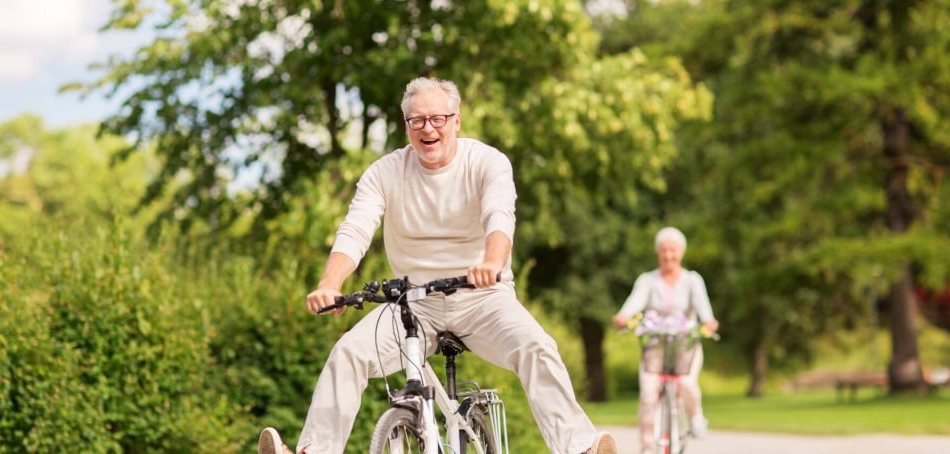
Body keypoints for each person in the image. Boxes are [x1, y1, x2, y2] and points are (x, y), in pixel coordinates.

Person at [257, 77, 617, 454]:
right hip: (414, 303)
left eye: (438, 119)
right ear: (406, 126)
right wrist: (329, 284)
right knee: (347, 353)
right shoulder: (385, 172)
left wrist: (491, 263)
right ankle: (311, 451)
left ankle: (581, 448)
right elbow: (355, 229)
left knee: (537, 347)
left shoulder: (486, 162)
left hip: (482, 297)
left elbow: (499, 216)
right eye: (417, 121)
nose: (428, 128)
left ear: (456, 121)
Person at [612, 227, 719, 454]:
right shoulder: (648, 280)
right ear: (657, 253)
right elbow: (635, 301)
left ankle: (696, 416)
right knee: (648, 395)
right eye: (664, 251)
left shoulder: (692, 280)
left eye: (673, 250)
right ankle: (647, 447)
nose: (668, 255)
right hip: (655, 346)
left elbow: (703, 307)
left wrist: (709, 322)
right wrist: (623, 316)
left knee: (687, 383)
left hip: (685, 345)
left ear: (681, 252)